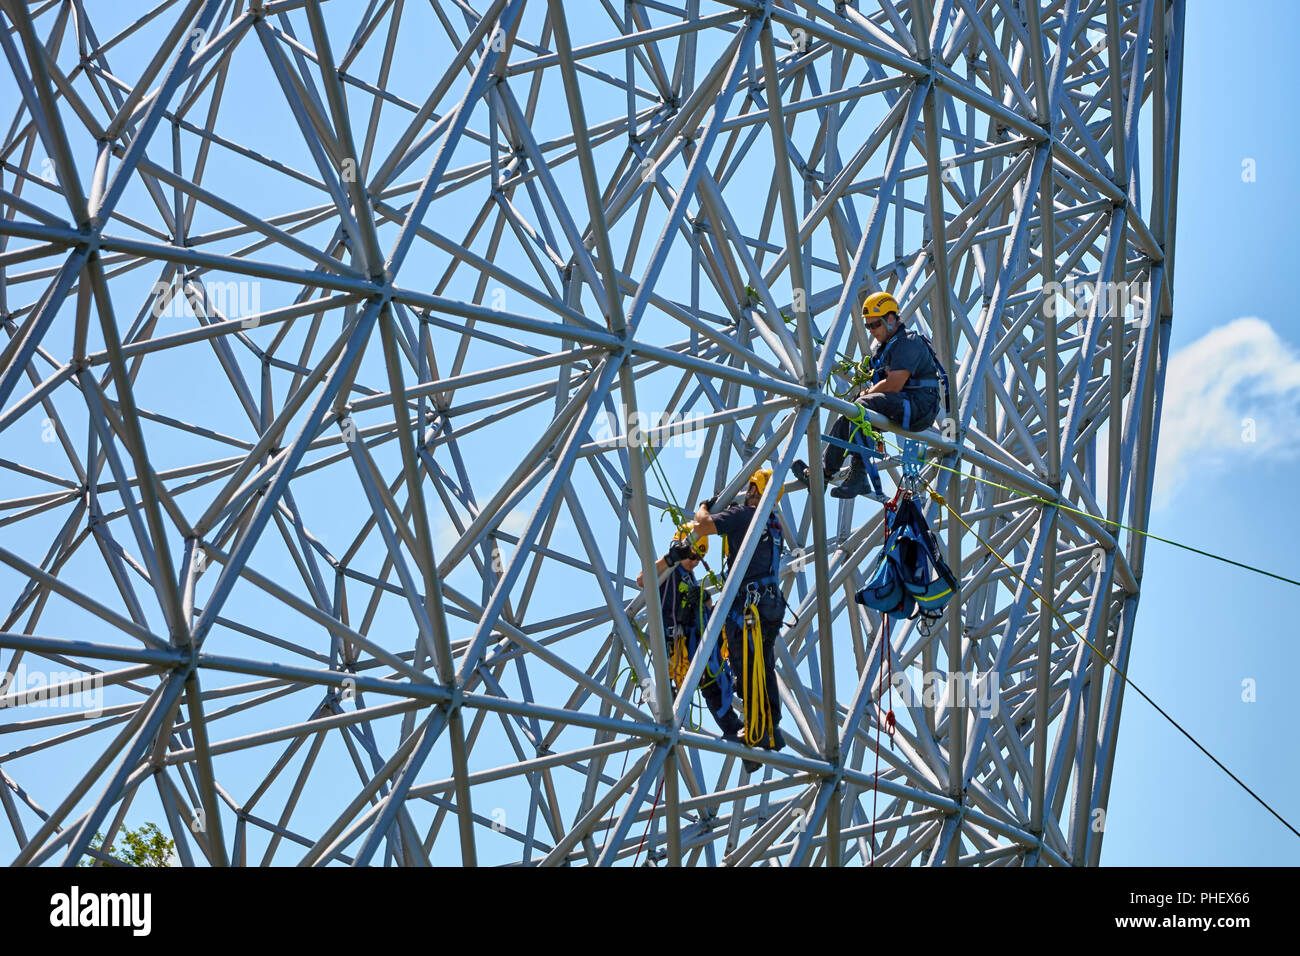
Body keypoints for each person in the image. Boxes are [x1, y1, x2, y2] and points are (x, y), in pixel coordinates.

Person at [794, 290, 945, 499]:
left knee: (860, 406)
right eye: (868, 326)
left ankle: (860, 474)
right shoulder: (886, 349)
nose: (872, 330)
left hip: (919, 406)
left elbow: (894, 384)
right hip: (905, 403)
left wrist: (867, 393)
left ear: (891, 319)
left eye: (876, 324)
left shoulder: (907, 342)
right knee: (847, 417)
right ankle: (823, 472)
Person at [691, 469, 787, 773]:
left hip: (749, 608)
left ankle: (760, 729)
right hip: (769, 605)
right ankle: (767, 727)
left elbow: (702, 526)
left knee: (746, 667)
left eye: (750, 488)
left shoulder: (747, 516)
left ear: (756, 491)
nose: (747, 493)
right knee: (763, 665)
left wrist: (705, 507)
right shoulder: (773, 524)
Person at [637, 525, 743, 740]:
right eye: (692, 555)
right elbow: (641, 580)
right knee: (677, 699)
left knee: (714, 680)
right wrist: (670, 559)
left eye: (699, 557)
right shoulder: (669, 570)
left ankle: (732, 728)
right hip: (673, 646)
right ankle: (668, 728)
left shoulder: (690, 577)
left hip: (691, 643)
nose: (694, 561)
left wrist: (707, 602)